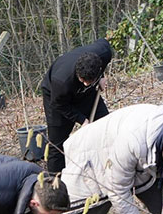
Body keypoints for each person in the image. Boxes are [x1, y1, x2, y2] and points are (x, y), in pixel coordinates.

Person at [40, 38, 114, 173]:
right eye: (83, 80)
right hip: (57, 100)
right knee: (57, 144)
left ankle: (107, 167)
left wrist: (101, 77)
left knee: (106, 127)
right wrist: (82, 119)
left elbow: (103, 43)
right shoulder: (61, 81)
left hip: (87, 96)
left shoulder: (103, 53)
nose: (86, 83)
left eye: (90, 81)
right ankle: (55, 181)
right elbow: (58, 104)